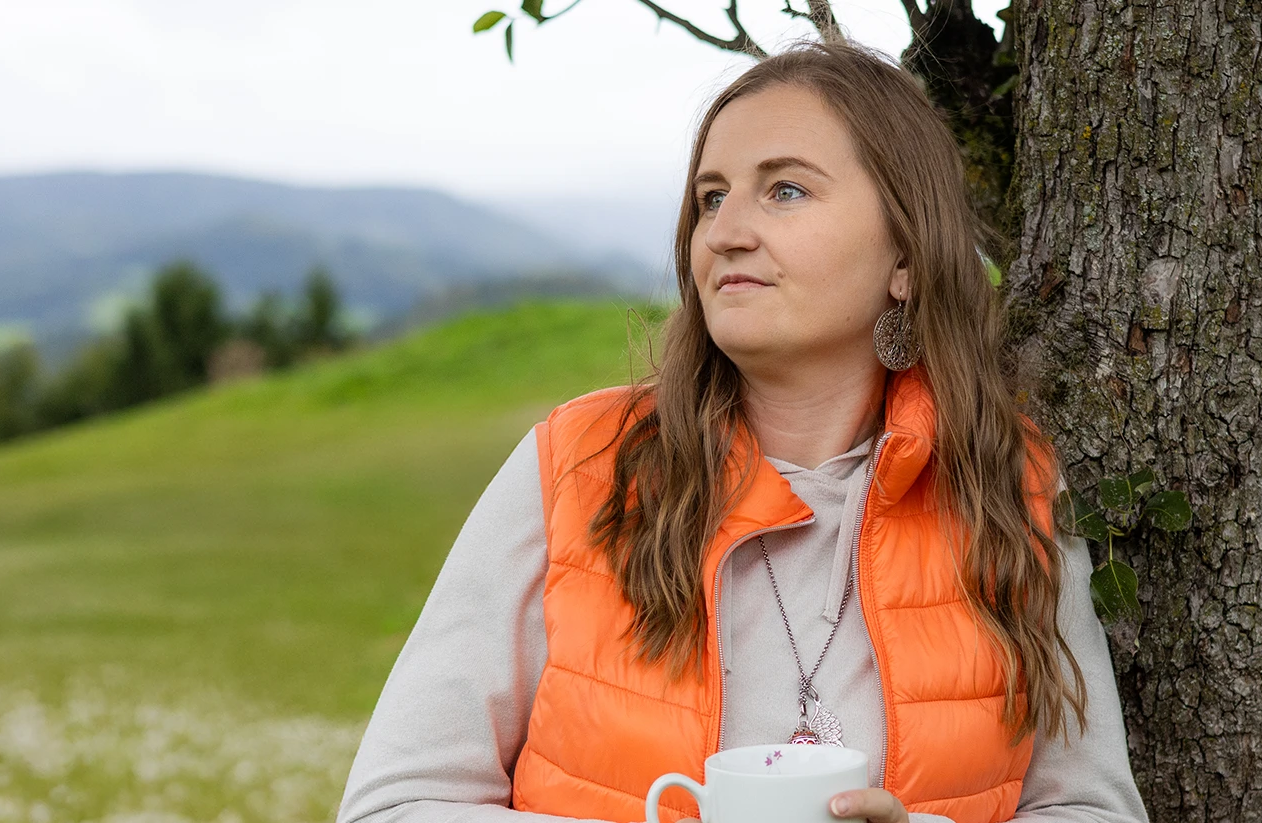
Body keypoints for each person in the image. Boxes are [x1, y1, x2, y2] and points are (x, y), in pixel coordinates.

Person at [335, 39, 1149, 823]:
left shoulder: (1009, 483)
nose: (724, 232)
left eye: (785, 190)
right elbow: (391, 805)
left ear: (905, 254)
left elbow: (1091, 806)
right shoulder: (575, 466)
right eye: (711, 198)